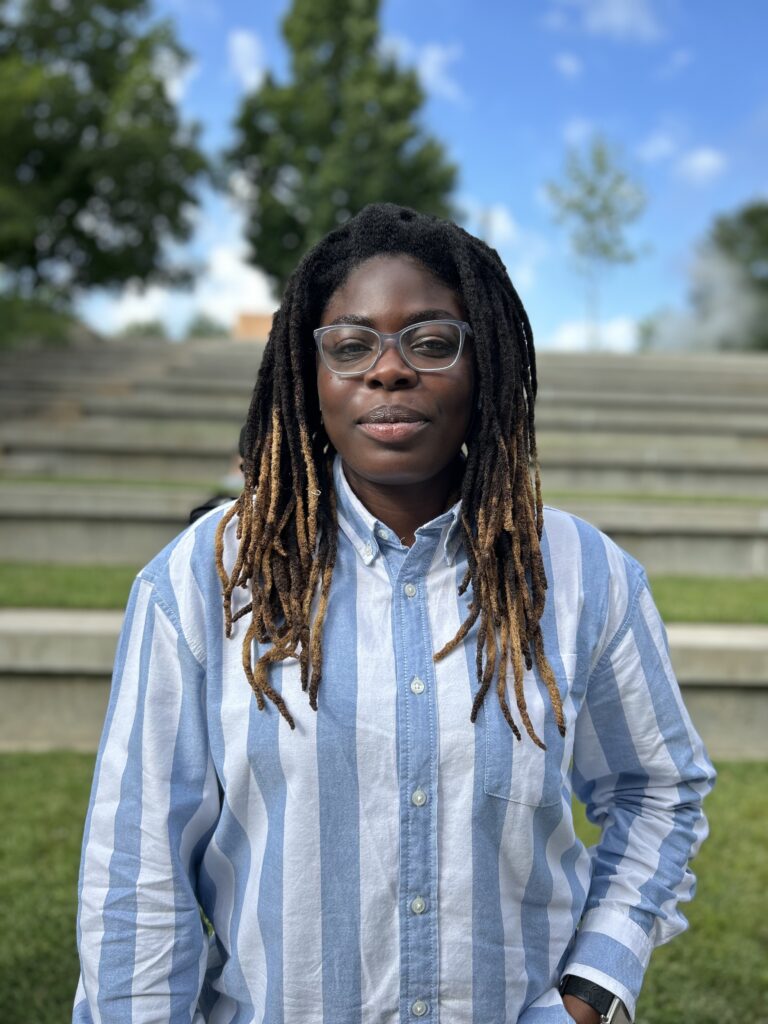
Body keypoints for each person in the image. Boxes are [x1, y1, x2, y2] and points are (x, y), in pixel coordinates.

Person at [74, 203, 714, 1024]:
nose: (388, 370)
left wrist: (593, 992)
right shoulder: (203, 580)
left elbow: (657, 792)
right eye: (351, 345)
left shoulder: (589, 576)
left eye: (432, 341)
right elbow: (138, 873)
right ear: (312, 375)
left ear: (484, 362)